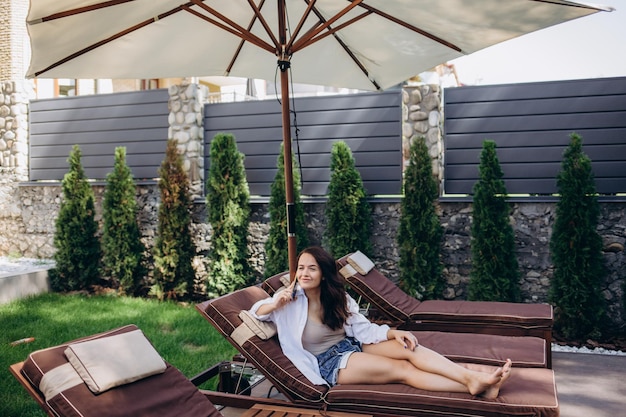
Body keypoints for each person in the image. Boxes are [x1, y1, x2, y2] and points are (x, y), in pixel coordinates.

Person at [250, 246, 512, 398]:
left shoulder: (338, 298)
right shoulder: (288, 301)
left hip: (351, 345)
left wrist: (392, 333)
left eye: (312, 268)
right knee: (402, 371)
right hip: (329, 363)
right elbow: (256, 312)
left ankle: (470, 378)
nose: (304, 273)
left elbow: (362, 329)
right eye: (301, 267)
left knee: (408, 349)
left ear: (325, 274)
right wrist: (274, 304)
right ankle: (471, 386)